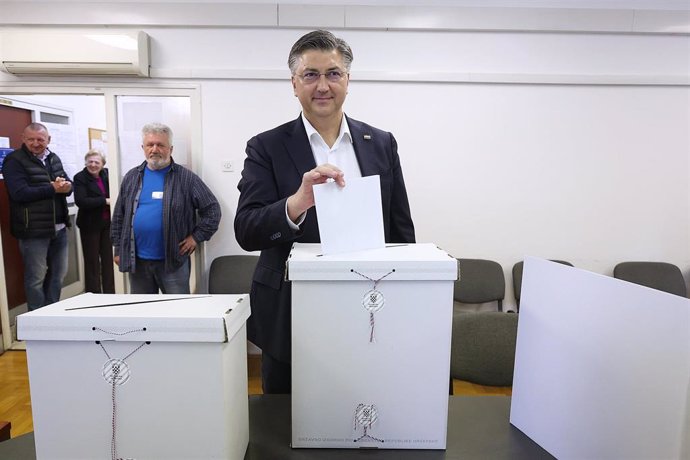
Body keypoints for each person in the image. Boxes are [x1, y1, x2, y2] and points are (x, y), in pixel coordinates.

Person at [234, 30, 416, 393]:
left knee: (359, 402)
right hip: (289, 309)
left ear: (348, 80)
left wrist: (402, 299)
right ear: (294, 83)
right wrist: (296, 203)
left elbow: (400, 231)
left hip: (366, 305)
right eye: (310, 74)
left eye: (333, 73)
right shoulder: (266, 146)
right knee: (285, 421)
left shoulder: (381, 143)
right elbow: (246, 229)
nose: (322, 85)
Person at [111, 122, 221, 294]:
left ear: (170, 148)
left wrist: (196, 237)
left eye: (160, 145)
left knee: (177, 313)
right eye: (150, 145)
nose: (154, 149)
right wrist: (118, 249)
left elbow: (212, 210)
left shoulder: (186, 178)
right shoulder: (132, 177)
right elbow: (119, 215)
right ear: (143, 147)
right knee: (142, 313)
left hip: (173, 262)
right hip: (137, 262)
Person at [2, 123, 73, 311]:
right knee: (36, 279)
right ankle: (36, 321)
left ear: (48, 140)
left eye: (40, 139)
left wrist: (67, 187)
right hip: (32, 231)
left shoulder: (53, 158)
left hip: (58, 228)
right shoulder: (14, 160)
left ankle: (52, 315)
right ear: (23, 138)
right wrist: (52, 188)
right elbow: (19, 193)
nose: (35, 143)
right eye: (31, 139)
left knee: (58, 275)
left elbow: (65, 182)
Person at [73, 150, 115, 294]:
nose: (93, 165)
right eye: (90, 161)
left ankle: (110, 293)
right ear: (86, 162)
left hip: (107, 224)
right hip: (89, 225)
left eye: (97, 162)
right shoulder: (80, 177)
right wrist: (104, 201)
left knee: (108, 261)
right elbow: (81, 201)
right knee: (92, 263)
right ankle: (93, 294)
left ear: (103, 164)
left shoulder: (107, 174)